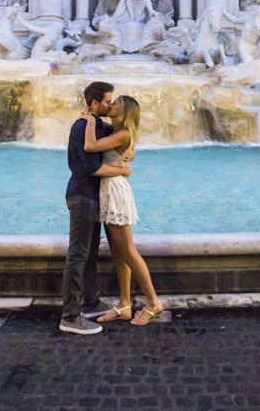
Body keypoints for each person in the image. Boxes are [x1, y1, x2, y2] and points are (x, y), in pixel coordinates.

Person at [80, 94, 164, 326]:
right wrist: (93, 116)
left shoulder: (123, 133)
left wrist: (87, 119)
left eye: (115, 103)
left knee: (128, 250)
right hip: (109, 189)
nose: (110, 104)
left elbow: (90, 146)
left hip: (114, 191)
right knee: (118, 251)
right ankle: (124, 305)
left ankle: (153, 302)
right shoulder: (116, 129)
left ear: (123, 110)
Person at [60, 81, 133, 336]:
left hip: (95, 196)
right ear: (93, 103)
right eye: (106, 102)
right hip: (82, 196)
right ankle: (70, 316)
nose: (110, 105)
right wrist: (123, 171)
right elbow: (92, 168)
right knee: (78, 254)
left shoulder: (98, 124)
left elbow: (123, 131)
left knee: (90, 253)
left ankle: (90, 303)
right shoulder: (82, 127)